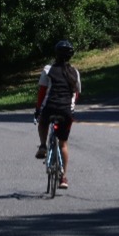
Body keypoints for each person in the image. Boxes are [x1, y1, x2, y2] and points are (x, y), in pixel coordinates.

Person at [34, 40, 81, 190]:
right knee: (63, 144)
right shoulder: (74, 72)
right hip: (66, 111)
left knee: (42, 122)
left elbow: (42, 93)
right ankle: (63, 177)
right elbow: (76, 94)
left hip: (50, 107)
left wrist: (38, 109)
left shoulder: (48, 70)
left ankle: (42, 146)